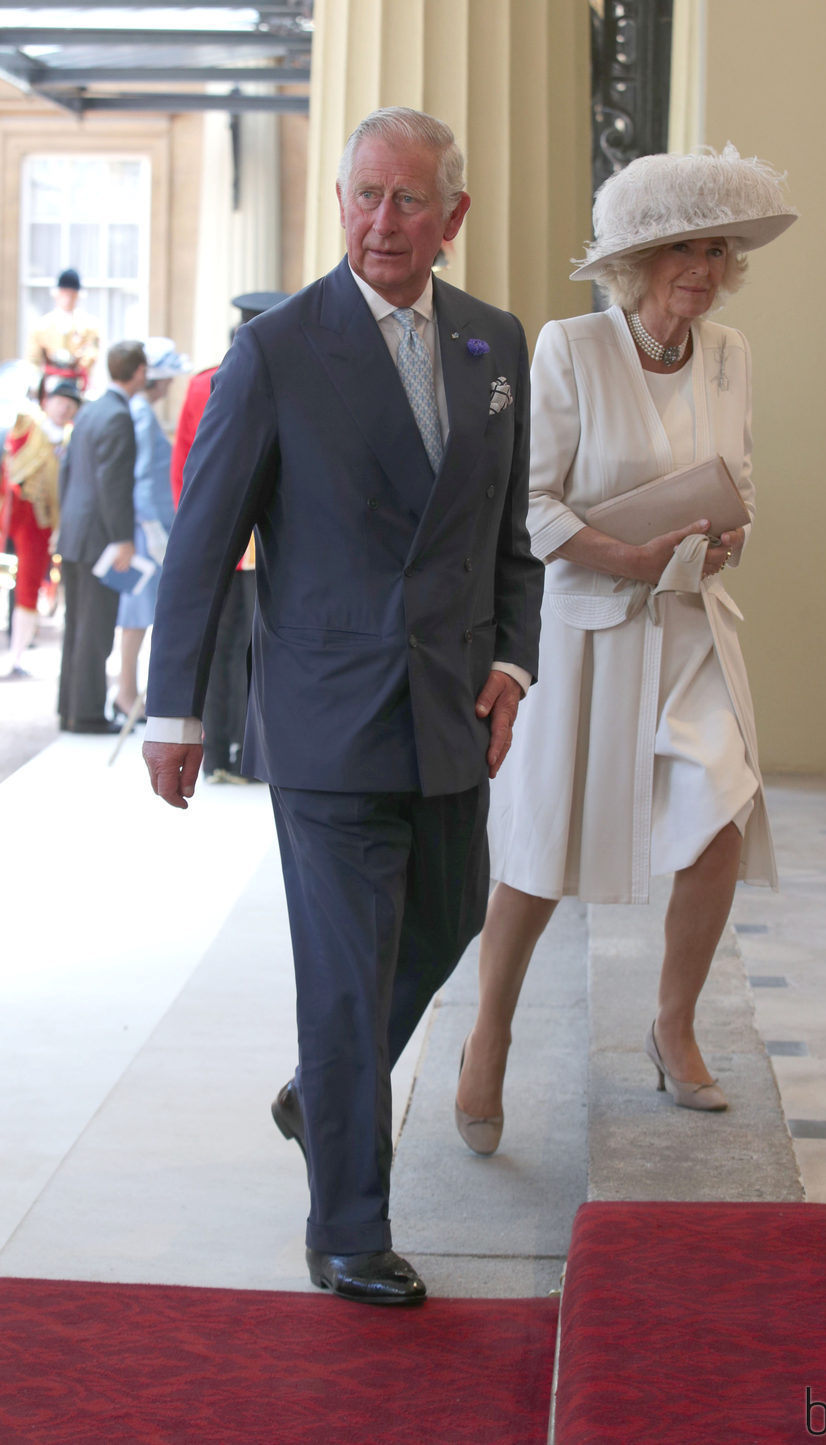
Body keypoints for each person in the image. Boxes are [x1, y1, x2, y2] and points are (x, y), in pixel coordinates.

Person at [142, 108, 543, 1306]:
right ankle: (348, 1225)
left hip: (448, 712)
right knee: (346, 970)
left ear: (451, 218)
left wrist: (512, 665)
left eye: (408, 200)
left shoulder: (493, 345)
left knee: (448, 921)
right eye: (363, 195)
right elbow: (203, 544)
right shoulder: (276, 350)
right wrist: (173, 712)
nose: (382, 221)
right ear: (339, 202)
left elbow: (508, 540)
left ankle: (320, 1092)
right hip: (325, 714)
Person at [455, 145, 796, 1152]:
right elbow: (530, 500)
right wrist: (623, 552)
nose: (698, 267)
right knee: (540, 846)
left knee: (719, 812)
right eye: (676, 249)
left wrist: (730, 535)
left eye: (713, 249)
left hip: (691, 627)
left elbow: (739, 482)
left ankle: (673, 1022)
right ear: (633, 262)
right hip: (586, 627)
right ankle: (487, 1034)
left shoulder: (731, 352)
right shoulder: (566, 348)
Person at [169, 294, 289, 780]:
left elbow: (184, 471)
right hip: (266, 544)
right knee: (252, 648)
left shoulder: (202, 384)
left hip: (224, 543)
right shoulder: (287, 377)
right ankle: (243, 751)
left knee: (222, 646)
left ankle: (218, 750)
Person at [57, 340, 147, 733]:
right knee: (94, 631)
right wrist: (123, 539)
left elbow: (68, 472)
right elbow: (114, 485)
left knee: (76, 628)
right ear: (140, 372)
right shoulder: (117, 416)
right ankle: (89, 714)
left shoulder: (91, 410)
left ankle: (71, 709)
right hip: (100, 539)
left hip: (76, 532)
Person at [114, 339, 190, 720]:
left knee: (141, 614)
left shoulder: (141, 411)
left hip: (150, 526)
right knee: (137, 615)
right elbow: (141, 478)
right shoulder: (142, 414)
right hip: (147, 530)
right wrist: (153, 529)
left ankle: (128, 693)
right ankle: (126, 694)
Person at [1, 377, 81, 678]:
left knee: (29, 586)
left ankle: (17, 653)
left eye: (70, 404)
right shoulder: (27, 425)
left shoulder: (70, 441)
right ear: (47, 401)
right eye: (60, 400)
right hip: (13, 511)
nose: (64, 407)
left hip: (42, 521)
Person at [27, 269, 101, 396]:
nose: (67, 298)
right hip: (49, 383)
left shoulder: (89, 326)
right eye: (64, 293)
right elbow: (34, 359)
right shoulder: (42, 325)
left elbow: (91, 355)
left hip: (77, 383)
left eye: (72, 294)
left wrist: (78, 361)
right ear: (57, 293)